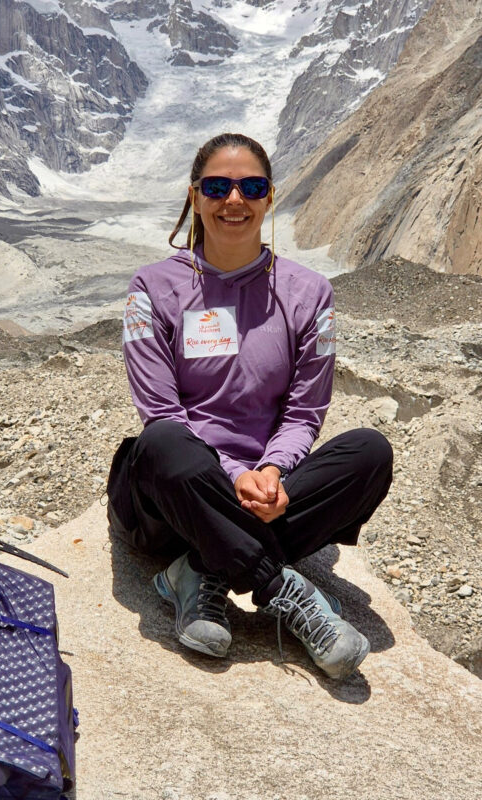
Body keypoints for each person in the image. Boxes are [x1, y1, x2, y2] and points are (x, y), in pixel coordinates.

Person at [107, 132, 393, 680]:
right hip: (176, 495)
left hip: (267, 492)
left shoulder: (310, 293)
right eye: (217, 187)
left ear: (269, 197)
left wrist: (272, 470)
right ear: (195, 196)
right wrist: (234, 475)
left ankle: (200, 569)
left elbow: (305, 412)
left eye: (251, 187)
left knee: (370, 452)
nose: (234, 200)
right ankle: (279, 587)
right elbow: (161, 411)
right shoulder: (151, 288)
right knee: (163, 444)